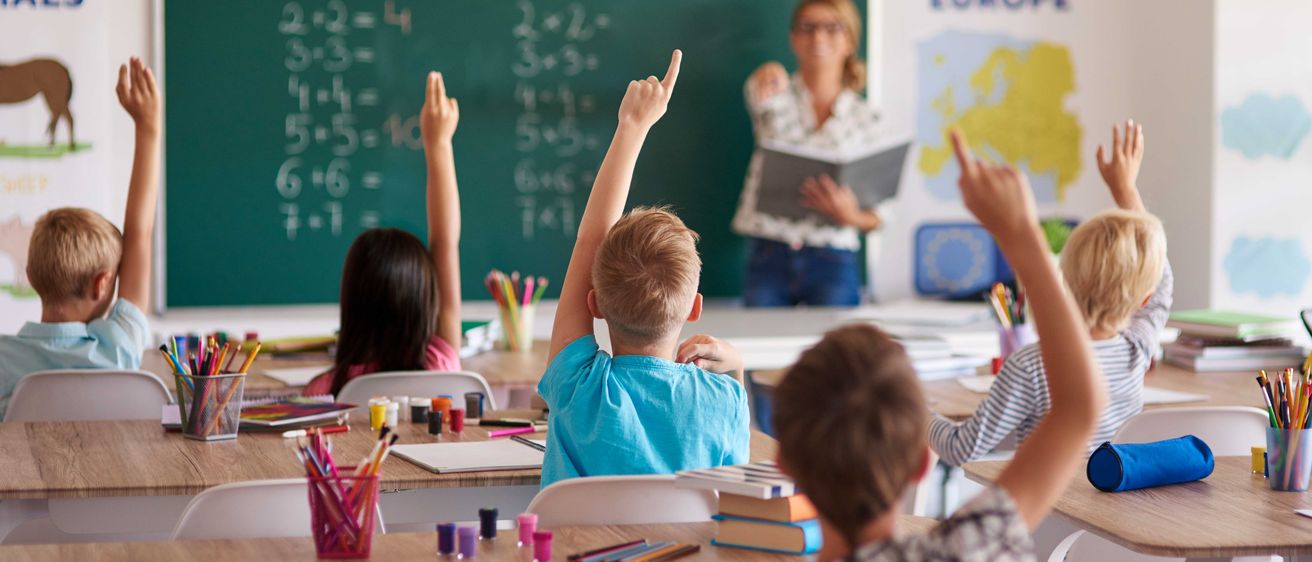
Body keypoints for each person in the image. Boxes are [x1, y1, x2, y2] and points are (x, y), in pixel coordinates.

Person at [772, 129, 1107, 561]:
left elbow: (1077, 409)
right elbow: (1079, 408)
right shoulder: (963, 551)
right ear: (921, 462)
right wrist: (1021, 233)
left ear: (785, 467)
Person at [538, 50, 751, 488]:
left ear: (593, 303)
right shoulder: (723, 400)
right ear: (694, 307)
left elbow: (588, 241)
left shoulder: (580, 390)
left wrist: (631, 129)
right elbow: (735, 496)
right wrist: (737, 367)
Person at [930, 120, 1172, 465]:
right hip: (1109, 513)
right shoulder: (1138, 352)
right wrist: (1125, 190)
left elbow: (960, 448)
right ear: (1144, 299)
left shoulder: (1032, 365)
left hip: (1048, 513)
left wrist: (917, 412)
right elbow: (1161, 282)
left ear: (1065, 278)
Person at [0, 58, 161, 418]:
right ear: (103, 283)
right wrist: (148, 125)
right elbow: (140, 232)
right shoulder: (118, 348)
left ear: (29, 275)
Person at [305, 72, 464, 396]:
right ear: (426, 300)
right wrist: (439, 144)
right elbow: (445, 241)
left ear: (351, 301)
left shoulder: (326, 391)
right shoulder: (441, 364)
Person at [732, 0, 883, 307]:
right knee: (763, 347)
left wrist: (850, 215)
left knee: (838, 352)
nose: (818, 38)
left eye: (832, 27)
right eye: (808, 27)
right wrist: (768, 72)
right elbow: (756, 91)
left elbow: (880, 215)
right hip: (769, 252)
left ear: (850, 40)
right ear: (793, 38)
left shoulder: (867, 119)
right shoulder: (774, 93)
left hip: (834, 258)